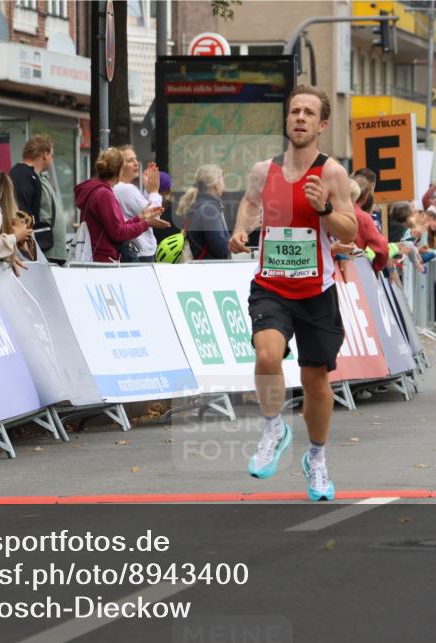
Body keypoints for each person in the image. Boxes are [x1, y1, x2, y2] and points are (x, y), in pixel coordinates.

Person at [228, 84, 358, 502]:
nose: (300, 118)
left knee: (315, 381)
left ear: (322, 125)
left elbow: (350, 230)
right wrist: (241, 230)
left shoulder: (332, 173)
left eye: (308, 113)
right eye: (294, 111)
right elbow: (250, 203)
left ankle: (316, 458)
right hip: (271, 284)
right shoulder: (263, 170)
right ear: (287, 119)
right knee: (267, 355)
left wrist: (324, 210)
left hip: (316, 290)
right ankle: (273, 428)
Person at [72, 148, 168, 263]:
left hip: (99, 258)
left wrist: (141, 217)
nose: (135, 163)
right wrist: (146, 223)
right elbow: (119, 233)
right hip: (103, 260)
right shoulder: (104, 194)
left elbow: (117, 227)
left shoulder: (98, 190)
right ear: (120, 171)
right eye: (130, 160)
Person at [113, 145, 162, 262]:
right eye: (130, 160)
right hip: (140, 252)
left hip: (134, 250)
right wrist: (154, 191)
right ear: (119, 166)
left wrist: (148, 191)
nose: (136, 163)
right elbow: (154, 215)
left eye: (135, 159)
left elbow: (140, 210)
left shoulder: (119, 188)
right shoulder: (126, 189)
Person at [10, 134, 56, 255]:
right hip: (24, 247)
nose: (52, 159)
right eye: (52, 155)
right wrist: (29, 250)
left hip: (26, 243)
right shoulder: (23, 176)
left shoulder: (27, 175)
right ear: (45, 154)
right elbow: (21, 213)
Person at [175, 164, 231, 260]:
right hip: (210, 267)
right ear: (216, 184)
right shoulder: (209, 210)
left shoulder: (196, 205)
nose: (223, 184)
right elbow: (221, 249)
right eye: (222, 179)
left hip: (200, 265)